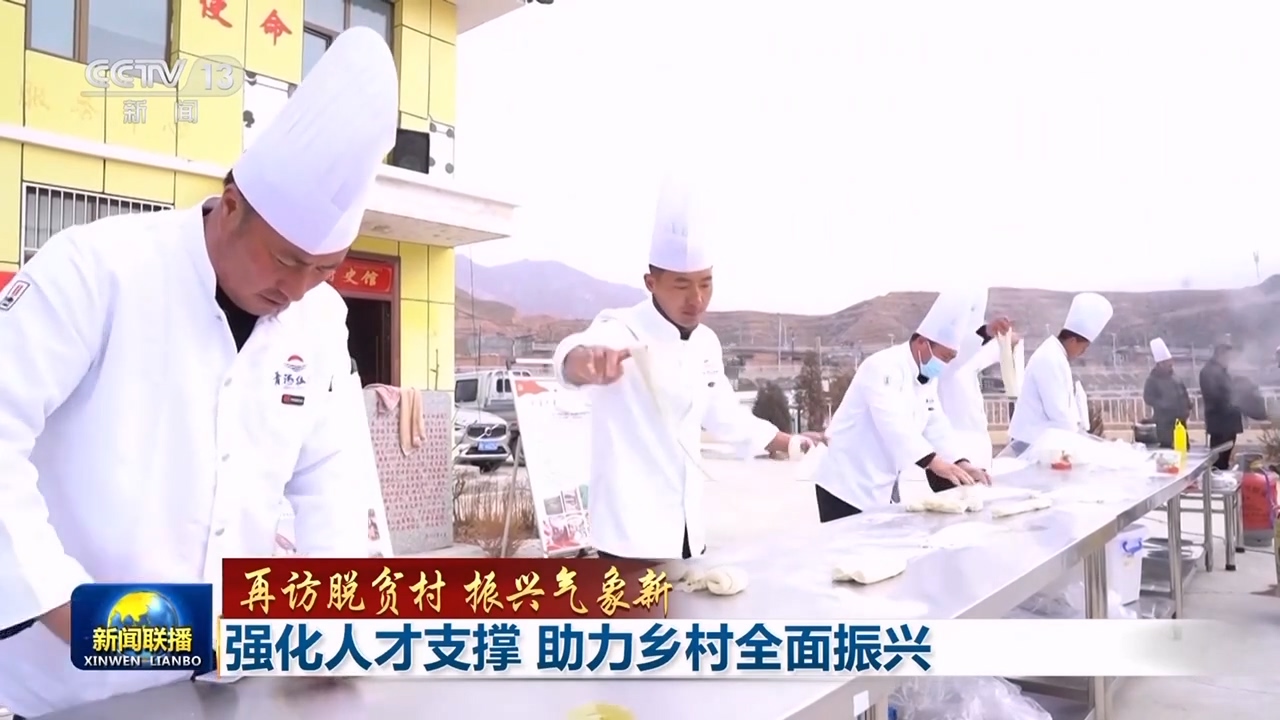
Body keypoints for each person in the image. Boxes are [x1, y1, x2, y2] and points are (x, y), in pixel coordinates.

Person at [0, 28, 397, 717]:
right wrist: (69, 607)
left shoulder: (320, 320)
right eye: (285, 259)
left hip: (221, 686)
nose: (298, 288)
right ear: (232, 203)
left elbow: (333, 484)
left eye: (324, 269)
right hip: (67, 690)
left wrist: (336, 634)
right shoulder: (98, 269)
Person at [551, 179, 823, 561]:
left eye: (705, 284)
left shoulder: (706, 341)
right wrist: (583, 361)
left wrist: (789, 441)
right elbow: (571, 357)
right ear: (651, 283)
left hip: (688, 532)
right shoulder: (621, 328)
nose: (696, 299)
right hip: (629, 536)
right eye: (681, 286)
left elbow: (725, 415)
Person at [811, 289, 990, 523]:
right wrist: (934, 463)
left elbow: (936, 425)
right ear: (922, 343)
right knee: (848, 546)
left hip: (880, 486)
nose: (945, 366)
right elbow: (893, 423)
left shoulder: (927, 379)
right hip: (845, 486)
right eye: (944, 357)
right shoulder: (882, 367)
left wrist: (962, 464)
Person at [1007, 292, 1113, 448]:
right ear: (1072, 341)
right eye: (1083, 348)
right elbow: (1058, 412)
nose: (1082, 353)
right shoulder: (1050, 359)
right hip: (1030, 442)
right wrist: (1080, 440)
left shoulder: (1056, 355)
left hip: (1041, 441)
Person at [936, 287, 1015, 469]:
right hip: (955, 448)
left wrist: (1006, 340)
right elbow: (961, 352)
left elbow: (981, 353)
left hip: (977, 444)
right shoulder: (944, 354)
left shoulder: (969, 357)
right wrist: (986, 332)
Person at [1199, 336, 1242, 471]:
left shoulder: (1222, 371)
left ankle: (1223, 475)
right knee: (1218, 460)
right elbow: (1213, 395)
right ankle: (1216, 480)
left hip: (1229, 423)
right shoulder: (1208, 372)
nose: (1229, 358)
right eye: (1227, 355)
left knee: (1225, 458)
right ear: (1219, 354)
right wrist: (1233, 402)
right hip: (1219, 424)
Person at [1142, 337, 1191, 448]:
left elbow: (1183, 393)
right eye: (1168, 362)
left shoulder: (1175, 378)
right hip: (1164, 422)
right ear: (1160, 364)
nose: (1171, 364)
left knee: (1183, 448)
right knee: (1168, 449)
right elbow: (1148, 398)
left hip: (1180, 421)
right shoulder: (1152, 380)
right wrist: (1164, 404)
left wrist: (1188, 405)